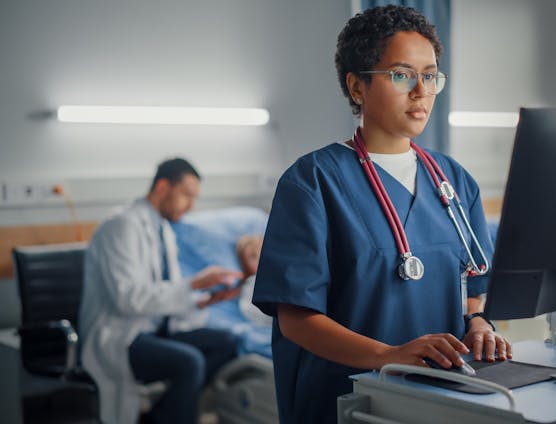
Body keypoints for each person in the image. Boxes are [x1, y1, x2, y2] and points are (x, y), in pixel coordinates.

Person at [252, 5, 512, 423]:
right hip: (347, 401)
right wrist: (388, 356)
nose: (420, 90)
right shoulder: (312, 181)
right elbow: (296, 320)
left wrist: (479, 325)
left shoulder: (455, 181)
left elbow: (473, 290)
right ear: (357, 87)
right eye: (401, 74)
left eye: (429, 76)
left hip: (441, 398)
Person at [79, 158, 243, 424]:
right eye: (187, 195)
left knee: (226, 342)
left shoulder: (163, 230)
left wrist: (204, 300)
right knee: (189, 362)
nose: (191, 206)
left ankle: (161, 416)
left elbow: (165, 293)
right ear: (163, 186)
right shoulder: (121, 226)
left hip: (154, 328)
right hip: (121, 335)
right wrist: (193, 284)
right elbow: (128, 298)